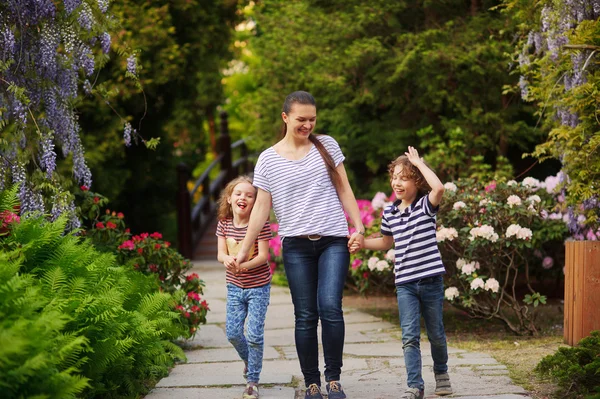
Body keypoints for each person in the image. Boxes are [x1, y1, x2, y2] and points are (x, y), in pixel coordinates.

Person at [233, 91, 365, 399]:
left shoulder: (327, 145)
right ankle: (312, 383)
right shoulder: (268, 158)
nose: (307, 125)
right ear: (285, 118)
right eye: (301, 120)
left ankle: (333, 379)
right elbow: (262, 207)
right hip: (296, 246)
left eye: (312, 119)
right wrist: (243, 248)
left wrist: (358, 226)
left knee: (331, 308)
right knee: (305, 314)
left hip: (333, 239)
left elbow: (344, 187)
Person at [350, 147, 453, 399]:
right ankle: (415, 386)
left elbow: (439, 189)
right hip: (405, 283)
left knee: (436, 333)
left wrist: (418, 162)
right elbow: (386, 242)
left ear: (417, 181)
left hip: (430, 282)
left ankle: (441, 373)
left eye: (404, 177)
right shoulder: (390, 212)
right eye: (394, 176)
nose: (397, 182)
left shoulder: (425, 206)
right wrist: (363, 243)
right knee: (409, 337)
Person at [216, 175, 273, 399]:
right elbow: (220, 253)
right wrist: (226, 260)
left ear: (255, 202)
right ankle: (250, 362)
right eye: (238, 194)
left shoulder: (260, 224)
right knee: (232, 333)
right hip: (234, 287)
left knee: (254, 335)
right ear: (229, 199)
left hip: (258, 287)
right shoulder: (224, 223)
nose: (243, 198)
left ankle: (252, 381)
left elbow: (264, 257)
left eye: (250, 195)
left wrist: (244, 265)